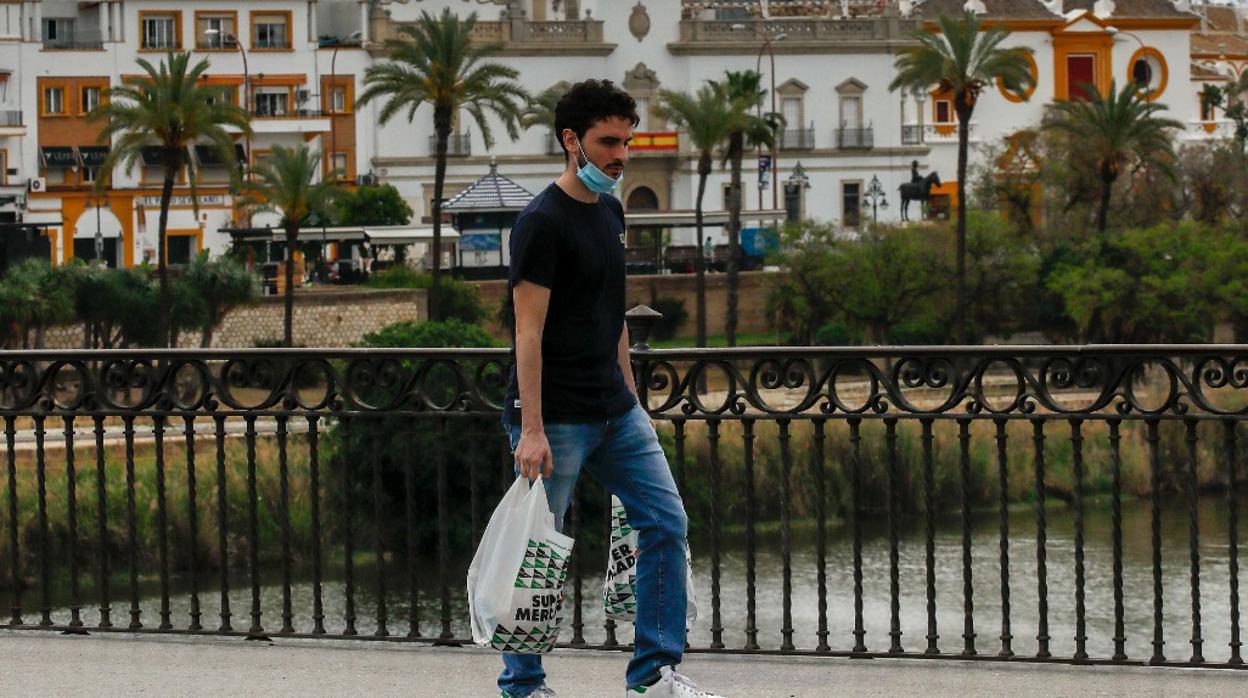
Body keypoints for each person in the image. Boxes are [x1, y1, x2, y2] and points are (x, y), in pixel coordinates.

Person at [499, 79, 723, 698]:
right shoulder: (541, 223)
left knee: (666, 522)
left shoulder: (611, 210)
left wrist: (633, 402)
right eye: (608, 142)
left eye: (626, 140)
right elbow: (528, 332)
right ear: (572, 140)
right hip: (558, 417)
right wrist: (534, 428)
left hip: (614, 411)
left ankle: (652, 675)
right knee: (540, 551)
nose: (622, 154)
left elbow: (613, 314)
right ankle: (523, 686)